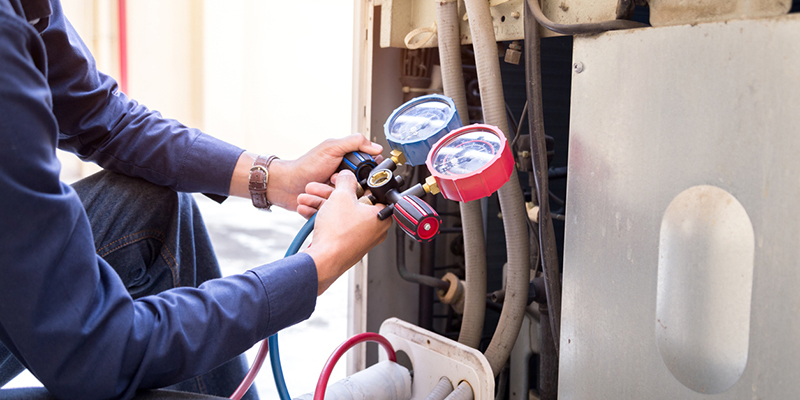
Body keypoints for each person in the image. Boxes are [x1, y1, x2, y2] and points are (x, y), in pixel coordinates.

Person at [0, 0, 392, 399]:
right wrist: (319, 264)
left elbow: (99, 114)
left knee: (145, 203)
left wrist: (278, 179)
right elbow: (99, 351)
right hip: (90, 348)